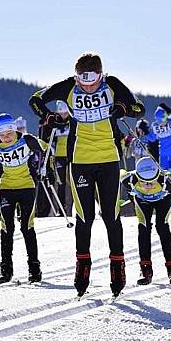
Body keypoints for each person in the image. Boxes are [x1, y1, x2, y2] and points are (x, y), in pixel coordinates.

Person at [29, 52, 145, 298]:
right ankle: (82, 268)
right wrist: (47, 116)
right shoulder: (69, 86)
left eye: (92, 80)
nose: (87, 85)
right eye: (82, 80)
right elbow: (36, 99)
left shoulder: (111, 84)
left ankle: (117, 266)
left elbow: (138, 108)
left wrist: (121, 108)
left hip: (109, 160)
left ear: (101, 75)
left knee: (111, 215)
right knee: (84, 217)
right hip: (80, 160)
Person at [0, 113, 53, 283]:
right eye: (2, 135)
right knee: (6, 228)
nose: (6, 138)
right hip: (6, 189)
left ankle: (34, 269)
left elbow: (47, 149)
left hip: (27, 187)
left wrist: (49, 170)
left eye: (9, 134)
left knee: (27, 227)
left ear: (14, 130)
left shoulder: (27, 140)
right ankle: (6, 270)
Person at [122, 157, 171, 286]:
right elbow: (120, 172)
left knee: (162, 226)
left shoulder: (167, 180)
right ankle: (145, 269)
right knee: (143, 228)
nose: (149, 186)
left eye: (152, 182)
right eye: (144, 183)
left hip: (164, 199)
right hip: (142, 201)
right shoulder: (128, 179)